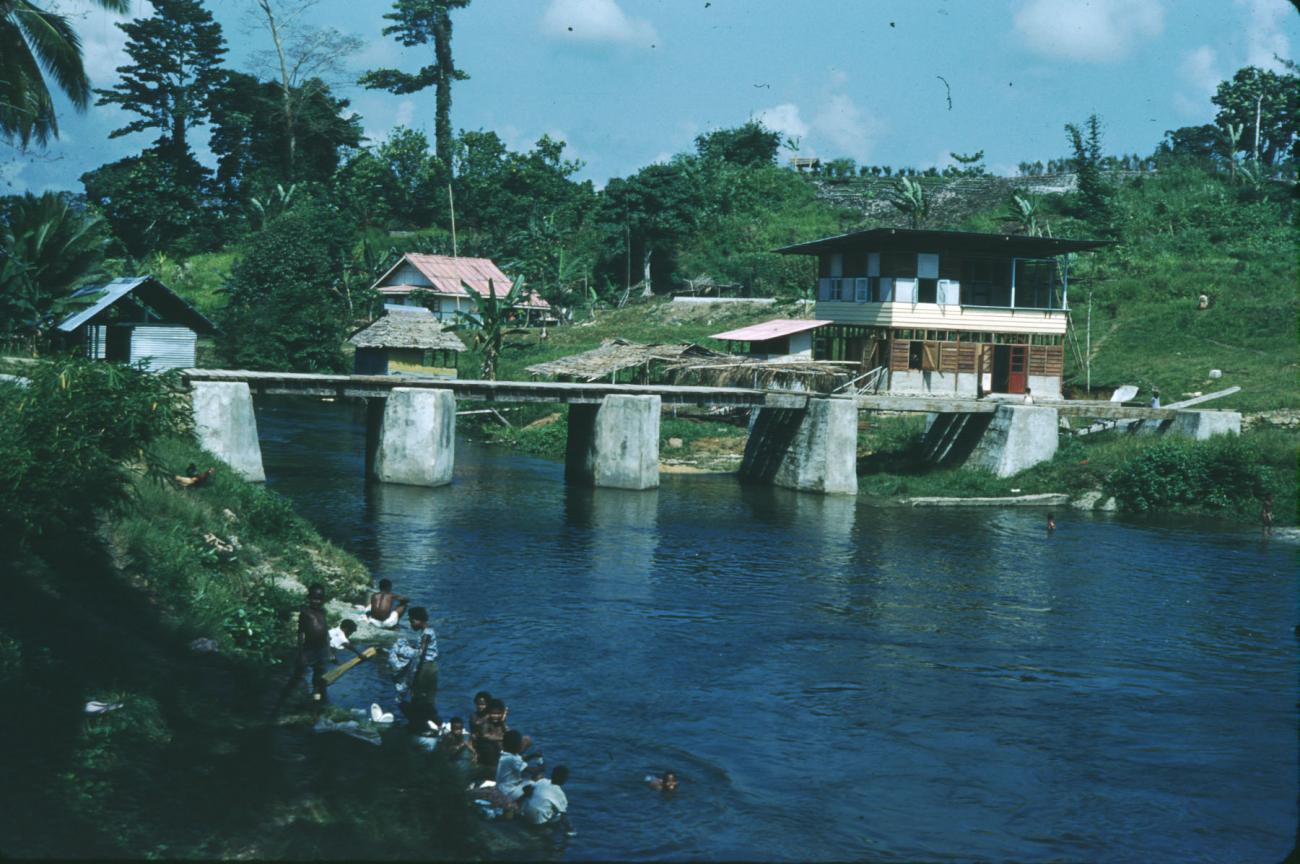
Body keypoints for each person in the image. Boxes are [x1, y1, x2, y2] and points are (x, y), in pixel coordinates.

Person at [271, 584, 330, 716]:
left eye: (319, 599)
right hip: (308, 649)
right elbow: (300, 633)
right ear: (309, 598)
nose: (317, 601)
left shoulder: (323, 612)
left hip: (321, 649)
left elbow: (325, 631)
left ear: (323, 600)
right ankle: (281, 704)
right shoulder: (305, 613)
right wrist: (301, 653)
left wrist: (328, 649)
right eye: (314, 598)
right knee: (297, 676)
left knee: (319, 679)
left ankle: (318, 704)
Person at [388, 606, 438, 721]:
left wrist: (414, 678)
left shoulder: (426, 633)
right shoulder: (428, 631)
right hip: (431, 667)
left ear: (420, 620)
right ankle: (429, 719)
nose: (411, 624)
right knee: (428, 696)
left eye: (412, 621)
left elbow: (421, 653)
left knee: (419, 694)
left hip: (425, 668)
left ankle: (421, 721)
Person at [521, 765, 571, 830]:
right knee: (558, 815)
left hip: (525, 813)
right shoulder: (560, 794)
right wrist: (570, 829)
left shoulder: (543, 781)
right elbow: (563, 816)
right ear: (563, 779)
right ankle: (546, 830)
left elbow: (526, 789)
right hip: (537, 821)